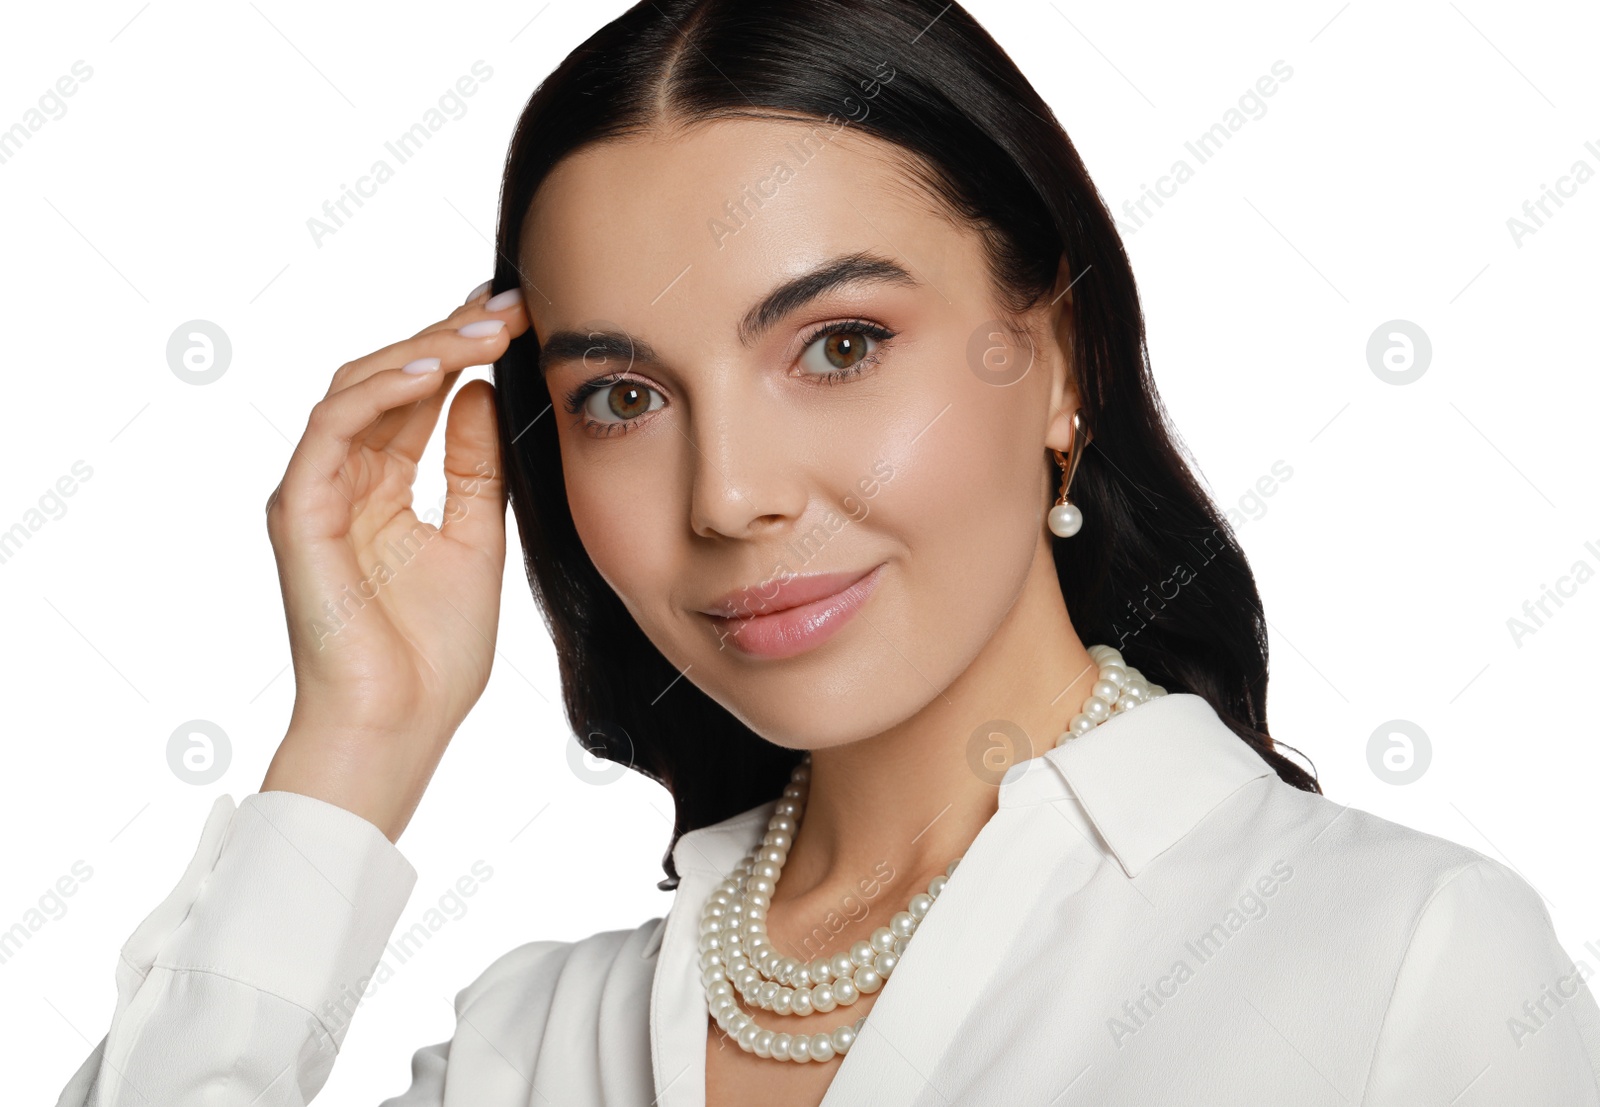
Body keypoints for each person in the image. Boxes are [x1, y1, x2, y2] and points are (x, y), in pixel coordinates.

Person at [56, 0, 1600, 1104]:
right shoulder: (539, 1045)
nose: (727, 496)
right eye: (624, 396)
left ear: (1054, 359)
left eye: (841, 344)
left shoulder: (1396, 963)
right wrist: (355, 741)